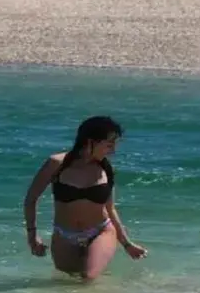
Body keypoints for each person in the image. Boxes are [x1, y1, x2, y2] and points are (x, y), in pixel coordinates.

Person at [22, 115, 148, 281]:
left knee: (88, 277)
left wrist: (126, 244)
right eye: (109, 145)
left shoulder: (106, 169)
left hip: (100, 231)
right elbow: (31, 199)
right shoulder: (57, 164)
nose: (113, 150)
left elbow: (110, 209)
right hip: (64, 234)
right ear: (90, 142)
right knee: (68, 283)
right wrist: (32, 236)